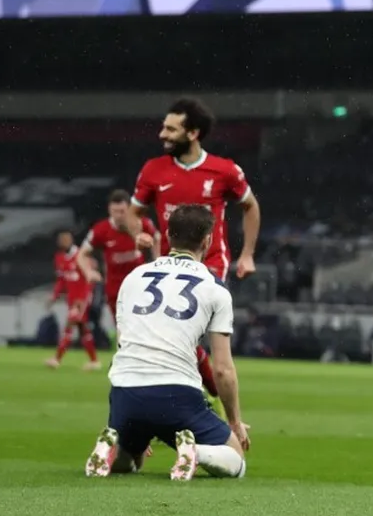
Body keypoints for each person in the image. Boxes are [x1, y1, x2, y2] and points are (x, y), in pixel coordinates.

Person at [84, 205, 249, 480]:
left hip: (126, 392)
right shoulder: (215, 288)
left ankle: (114, 448)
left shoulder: (133, 278)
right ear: (208, 240)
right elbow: (222, 369)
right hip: (176, 394)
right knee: (236, 460)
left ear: (169, 235)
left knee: (132, 460)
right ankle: (196, 452)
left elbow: (124, 345)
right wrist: (234, 421)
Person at [130, 97, 261, 418]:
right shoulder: (153, 170)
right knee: (178, 339)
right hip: (168, 265)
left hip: (211, 263)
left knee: (187, 335)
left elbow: (250, 206)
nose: (162, 134)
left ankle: (211, 401)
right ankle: (212, 396)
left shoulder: (224, 170)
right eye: (164, 127)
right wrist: (138, 233)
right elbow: (135, 212)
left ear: (193, 133)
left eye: (171, 129)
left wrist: (247, 255)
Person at [77, 189, 159, 324]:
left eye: (122, 211)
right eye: (114, 211)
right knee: (121, 325)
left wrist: (158, 261)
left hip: (140, 285)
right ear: (109, 210)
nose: (118, 216)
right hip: (115, 288)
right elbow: (81, 254)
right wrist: (88, 271)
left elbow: (157, 237)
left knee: (142, 324)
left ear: (129, 210)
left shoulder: (142, 224)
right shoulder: (100, 230)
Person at [46, 229, 100, 370]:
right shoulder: (59, 258)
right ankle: (94, 361)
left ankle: (57, 359)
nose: (63, 242)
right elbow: (61, 280)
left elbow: (90, 279)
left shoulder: (81, 256)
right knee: (83, 329)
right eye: (61, 240)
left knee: (69, 325)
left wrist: (84, 298)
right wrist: (54, 296)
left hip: (82, 298)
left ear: (71, 240)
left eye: (65, 239)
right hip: (71, 298)